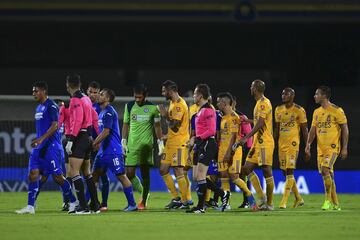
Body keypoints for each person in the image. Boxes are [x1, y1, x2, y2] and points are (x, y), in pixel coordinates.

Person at [16, 82, 77, 214]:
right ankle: (30, 206)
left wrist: (41, 139)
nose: (34, 94)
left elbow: (55, 125)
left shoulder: (52, 106)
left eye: (36, 91)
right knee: (33, 174)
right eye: (33, 91)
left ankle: (73, 201)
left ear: (44, 91)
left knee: (58, 178)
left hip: (52, 147)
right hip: (39, 148)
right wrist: (39, 141)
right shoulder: (38, 108)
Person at [186, 84, 230, 213]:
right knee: (196, 176)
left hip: (207, 144)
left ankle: (200, 207)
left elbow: (211, 131)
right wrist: (194, 139)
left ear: (200, 96)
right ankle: (222, 194)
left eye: (195, 94)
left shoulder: (209, 110)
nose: (193, 96)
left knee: (200, 176)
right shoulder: (200, 110)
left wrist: (197, 138)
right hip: (200, 144)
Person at [92, 88, 137, 211]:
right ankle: (92, 203)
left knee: (121, 176)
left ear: (107, 99)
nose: (99, 96)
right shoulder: (101, 112)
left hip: (112, 151)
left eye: (101, 94)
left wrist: (94, 143)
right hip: (103, 152)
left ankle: (132, 204)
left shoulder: (109, 112)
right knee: (94, 175)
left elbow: (106, 132)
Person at [233, 79, 275, 210]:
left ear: (256, 88)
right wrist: (248, 120)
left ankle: (270, 203)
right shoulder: (258, 103)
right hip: (258, 142)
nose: (250, 88)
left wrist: (246, 137)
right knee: (246, 169)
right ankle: (262, 198)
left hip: (265, 142)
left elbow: (261, 123)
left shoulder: (264, 103)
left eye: (251, 86)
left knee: (266, 171)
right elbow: (259, 121)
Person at [305, 86, 348, 210]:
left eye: (317, 94)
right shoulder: (316, 112)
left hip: (332, 147)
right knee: (329, 174)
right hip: (320, 149)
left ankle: (327, 200)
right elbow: (313, 130)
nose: (314, 96)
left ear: (324, 96)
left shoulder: (337, 110)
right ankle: (336, 204)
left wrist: (344, 147)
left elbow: (345, 128)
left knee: (325, 170)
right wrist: (308, 144)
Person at [122, 84, 164, 210]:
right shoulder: (129, 106)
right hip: (132, 145)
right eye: (135, 97)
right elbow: (125, 124)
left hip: (146, 146)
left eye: (140, 97)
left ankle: (143, 201)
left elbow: (157, 127)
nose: (137, 100)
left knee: (145, 173)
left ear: (146, 96)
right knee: (129, 173)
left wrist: (160, 142)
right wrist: (123, 141)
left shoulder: (153, 108)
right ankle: (144, 191)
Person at [216, 92, 257, 211]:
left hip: (233, 151)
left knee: (234, 177)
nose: (217, 104)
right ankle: (226, 203)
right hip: (222, 150)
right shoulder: (223, 118)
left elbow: (234, 136)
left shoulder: (234, 117)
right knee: (223, 175)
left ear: (224, 103)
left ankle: (251, 198)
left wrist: (229, 153)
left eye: (219, 102)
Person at [65, 74, 100, 214]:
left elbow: (78, 120)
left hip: (79, 137)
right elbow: (94, 117)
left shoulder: (75, 99)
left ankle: (83, 206)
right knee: (87, 172)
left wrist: (71, 140)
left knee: (74, 171)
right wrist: (91, 135)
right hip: (87, 136)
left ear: (68, 85)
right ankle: (95, 205)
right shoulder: (86, 98)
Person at [159, 80, 191, 209]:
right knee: (163, 170)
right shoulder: (172, 103)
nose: (162, 93)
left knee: (178, 170)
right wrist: (166, 136)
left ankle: (185, 201)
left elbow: (175, 126)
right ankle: (176, 198)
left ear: (170, 91)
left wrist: (165, 115)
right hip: (171, 142)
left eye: (164, 91)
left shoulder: (179, 105)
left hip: (179, 143)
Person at [274, 88, 308, 209]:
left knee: (289, 170)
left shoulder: (299, 110)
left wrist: (307, 146)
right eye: (282, 93)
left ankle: (283, 201)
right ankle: (298, 198)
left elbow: (304, 129)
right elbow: (277, 129)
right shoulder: (278, 109)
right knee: (284, 172)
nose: (283, 95)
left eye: (286, 93)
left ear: (292, 96)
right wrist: (274, 142)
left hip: (293, 144)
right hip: (281, 145)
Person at [87, 81, 110, 212]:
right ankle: (90, 201)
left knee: (101, 175)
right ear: (87, 91)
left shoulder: (100, 107)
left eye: (96, 92)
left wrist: (98, 142)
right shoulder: (84, 104)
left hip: (99, 146)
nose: (93, 95)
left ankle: (104, 203)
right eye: (91, 92)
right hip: (88, 144)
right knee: (88, 175)